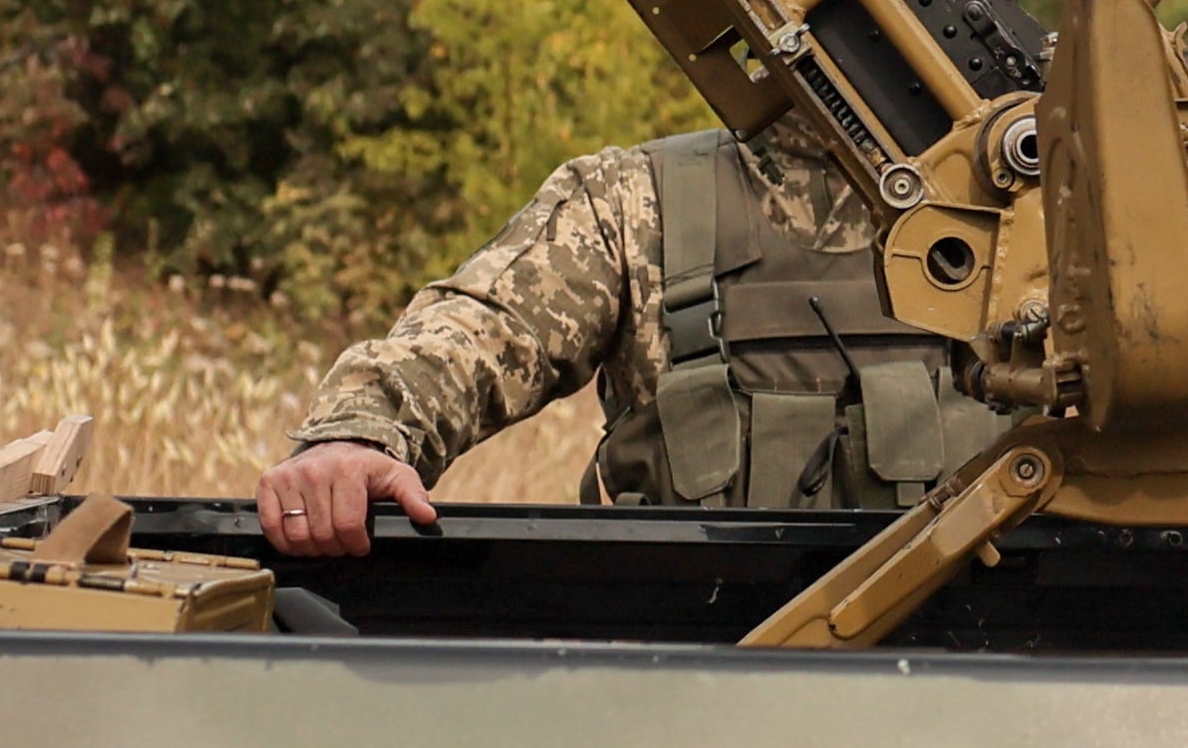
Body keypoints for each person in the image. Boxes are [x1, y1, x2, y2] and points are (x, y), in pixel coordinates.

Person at [256, 123, 1016, 550]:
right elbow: (479, 329)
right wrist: (360, 436)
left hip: (984, 704)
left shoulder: (1039, 214)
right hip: (694, 690)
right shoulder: (640, 200)